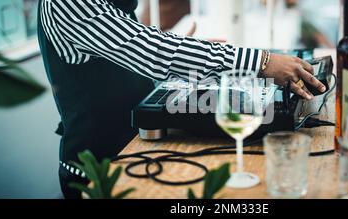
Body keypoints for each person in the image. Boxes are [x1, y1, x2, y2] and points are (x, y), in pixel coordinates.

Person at [37, 0, 326, 199]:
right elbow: (151, 52)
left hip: (141, 151)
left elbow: (128, 48)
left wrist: (195, 53)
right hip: (100, 170)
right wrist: (260, 62)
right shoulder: (68, 4)